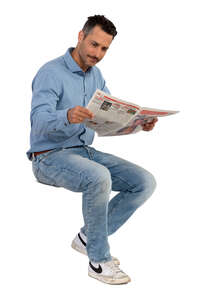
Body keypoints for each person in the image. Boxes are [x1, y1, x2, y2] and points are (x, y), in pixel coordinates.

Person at [27, 15, 157, 285]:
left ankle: (87, 238)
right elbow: (38, 121)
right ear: (80, 36)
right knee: (99, 177)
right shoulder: (50, 72)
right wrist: (66, 115)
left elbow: (109, 117)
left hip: (83, 151)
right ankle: (98, 260)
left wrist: (138, 124)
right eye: (94, 44)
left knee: (144, 182)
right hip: (49, 157)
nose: (97, 53)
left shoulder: (96, 75)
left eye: (104, 49)